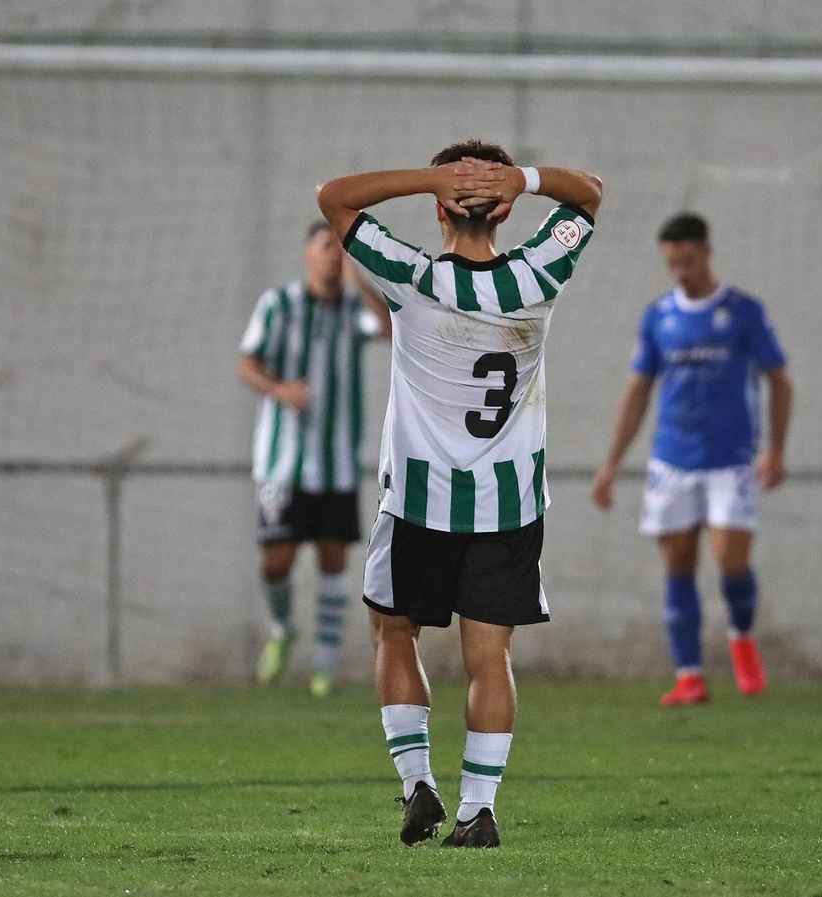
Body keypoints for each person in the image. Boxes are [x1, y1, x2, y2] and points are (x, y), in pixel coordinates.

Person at [318, 141, 601, 848]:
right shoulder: (540, 274)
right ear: (504, 211)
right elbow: (589, 193)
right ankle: (480, 808)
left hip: (419, 500)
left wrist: (429, 178)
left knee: (392, 631)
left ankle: (419, 784)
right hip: (508, 506)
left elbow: (334, 195)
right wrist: (528, 179)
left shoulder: (411, 276)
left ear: (439, 208)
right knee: (489, 654)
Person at [590, 213, 793, 706]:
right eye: (671, 263)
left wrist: (776, 450)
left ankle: (742, 637)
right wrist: (612, 462)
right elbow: (638, 389)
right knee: (678, 563)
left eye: (687, 260)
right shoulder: (658, 317)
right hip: (673, 460)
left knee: (730, 561)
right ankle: (689, 676)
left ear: (707, 252)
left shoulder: (743, 311)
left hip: (732, 461)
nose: (680, 271)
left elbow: (779, 380)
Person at [238, 222, 391, 698]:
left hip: (338, 463)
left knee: (332, 560)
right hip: (282, 463)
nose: (333, 257)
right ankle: (283, 629)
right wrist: (278, 389)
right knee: (277, 561)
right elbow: (247, 364)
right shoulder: (278, 304)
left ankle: (323, 667)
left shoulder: (352, 308)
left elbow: (389, 328)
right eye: (327, 247)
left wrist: (358, 279)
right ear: (308, 253)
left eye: (340, 250)